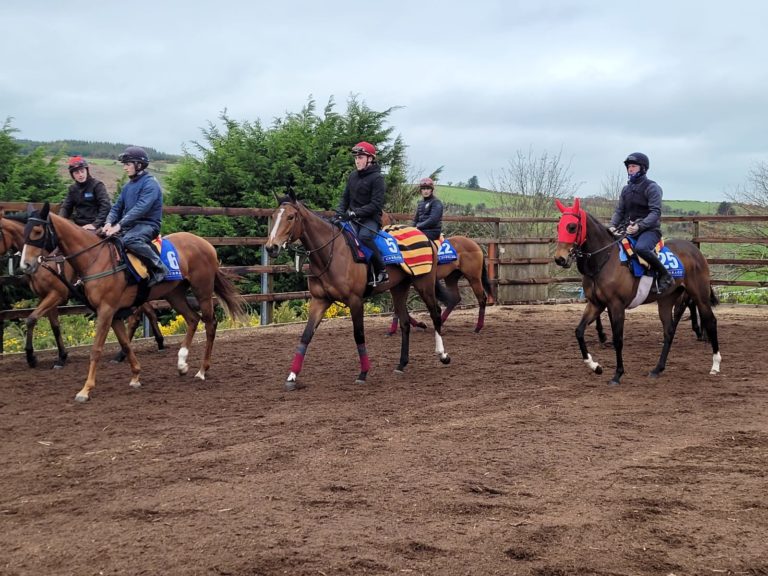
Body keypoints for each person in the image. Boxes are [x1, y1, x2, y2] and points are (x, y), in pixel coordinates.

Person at [101, 146, 168, 287]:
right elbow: (117, 207)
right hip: (131, 225)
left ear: (139, 165)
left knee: (130, 240)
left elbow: (140, 209)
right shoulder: (128, 186)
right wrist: (108, 223)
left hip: (148, 225)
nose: (124, 168)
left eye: (127, 164)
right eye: (124, 165)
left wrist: (118, 225)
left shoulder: (151, 184)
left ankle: (158, 268)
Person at [609, 152, 673, 294]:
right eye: (629, 167)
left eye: (633, 166)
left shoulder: (652, 188)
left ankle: (665, 276)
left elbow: (655, 212)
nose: (630, 169)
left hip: (649, 231)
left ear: (643, 168)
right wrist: (612, 226)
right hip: (629, 229)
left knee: (641, 248)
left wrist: (639, 226)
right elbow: (619, 211)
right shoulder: (626, 190)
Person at [337, 141, 388, 285]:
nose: (357, 161)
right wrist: (339, 213)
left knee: (364, 237)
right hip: (353, 218)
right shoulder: (353, 176)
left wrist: (354, 213)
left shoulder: (377, 178)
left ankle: (381, 270)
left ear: (370, 159)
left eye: (360, 157)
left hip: (370, 219)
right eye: (356, 158)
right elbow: (345, 198)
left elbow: (375, 205)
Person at [59, 156, 112, 231]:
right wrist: (60, 220)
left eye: (82, 171)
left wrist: (95, 224)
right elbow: (66, 207)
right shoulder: (72, 189)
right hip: (78, 225)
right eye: (76, 172)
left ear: (87, 170)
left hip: (96, 225)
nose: (80, 175)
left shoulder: (97, 185)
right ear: (72, 175)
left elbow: (105, 206)